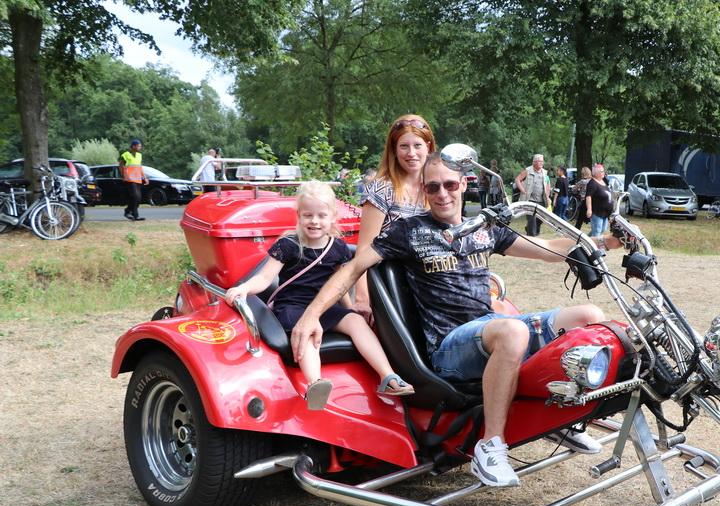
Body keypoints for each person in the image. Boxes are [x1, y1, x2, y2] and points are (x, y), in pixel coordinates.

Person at [291, 153, 615, 487]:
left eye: (449, 184)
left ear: (463, 184)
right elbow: (354, 267)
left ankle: (557, 417)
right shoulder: (410, 230)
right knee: (513, 330)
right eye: (433, 187)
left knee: (588, 318)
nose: (442, 193)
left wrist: (602, 242)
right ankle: (490, 447)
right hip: (448, 348)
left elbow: (545, 247)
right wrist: (311, 315)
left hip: (487, 327)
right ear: (424, 190)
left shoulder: (483, 227)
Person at [225, 180, 414, 410]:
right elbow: (265, 278)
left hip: (325, 307)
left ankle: (388, 376)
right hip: (292, 307)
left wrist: (349, 309)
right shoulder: (288, 245)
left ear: (332, 217)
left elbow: (340, 285)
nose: (314, 221)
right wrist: (244, 288)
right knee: (309, 333)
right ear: (299, 216)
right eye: (308, 215)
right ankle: (315, 384)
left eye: (321, 215)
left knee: (356, 322)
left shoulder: (338, 248)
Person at [352, 114, 436, 318]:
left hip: (431, 281)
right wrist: (362, 298)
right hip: (394, 284)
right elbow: (364, 248)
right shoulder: (383, 189)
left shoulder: (437, 187)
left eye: (417, 145)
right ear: (394, 150)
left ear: (428, 147)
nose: (411, 153)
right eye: (404, 146)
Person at [515, 154, 551, 237]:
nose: (541, 163)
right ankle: (532, 236)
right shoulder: (528, 170)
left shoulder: (544, 172)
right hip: (530, 200)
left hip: (542, 200)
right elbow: (517, 180)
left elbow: (547, 184)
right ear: (534, 162)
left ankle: (529, 229)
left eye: (542, 161)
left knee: (541, 219)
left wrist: (548, 196)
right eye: (539, 161)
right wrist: (523, 190)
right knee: (532, 219)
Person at [119, 138, 148, 221]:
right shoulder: (126, 155)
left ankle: (128, 211)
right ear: (133, 146)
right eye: (139, 146)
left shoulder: (139, 155)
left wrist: (145, 177)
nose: (140, 147)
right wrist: (123, 175)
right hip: (129, 179)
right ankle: (135, 215)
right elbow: (120, 165)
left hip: (137, 179)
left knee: (138, 198)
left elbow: (140, 167)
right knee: (135, 196)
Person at [585, 163, 614, 240]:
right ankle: (594, 246)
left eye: (603, 171)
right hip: (597, 212)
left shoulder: (603, 181)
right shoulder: (592, 183)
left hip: (605, 213)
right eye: (602, 171)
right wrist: (589, 209)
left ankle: (585, 241)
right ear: (596, 173)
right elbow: (588, 196)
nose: (603, 173)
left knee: (602, 229)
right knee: (597, 231)